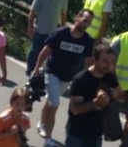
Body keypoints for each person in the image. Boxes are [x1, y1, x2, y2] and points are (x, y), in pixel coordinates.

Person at [32, 9, 94, 146]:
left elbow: (87, 62)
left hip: (67, 77)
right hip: (52, 72)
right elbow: (45, 50)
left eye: (88, 23)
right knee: (55, 104)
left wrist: (87, 80)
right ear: (77, 17)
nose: (86, 24)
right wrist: (36, 68)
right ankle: (48, 138)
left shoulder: (87, 40)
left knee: (50, 100)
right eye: (84, 20)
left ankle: (42, 123)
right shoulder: (61, 33)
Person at [65, 44, 123, 146]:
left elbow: (122, 97)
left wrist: (117, 95)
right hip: (77, 134)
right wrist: (95, 103)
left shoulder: (110, 77)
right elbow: (75, 109)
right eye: (105, 61)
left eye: (111, 62)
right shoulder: (81, 79)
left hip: (96, 134)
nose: (109, 65)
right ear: (94, 60)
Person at [25, 0, 68, 76]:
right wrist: (30, 27)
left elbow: (63, 14)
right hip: (39, 29)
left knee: (48, 54)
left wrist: (62, 29)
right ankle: (30, 71)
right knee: (35, 51)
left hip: (52, 32)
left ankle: (42, 73)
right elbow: (32, 13)